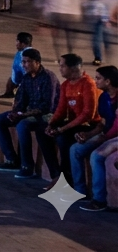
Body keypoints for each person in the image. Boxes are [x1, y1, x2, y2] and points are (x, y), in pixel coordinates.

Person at [36, 53, 101, 184]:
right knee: (42, 131)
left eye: (62, 66)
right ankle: (56, 175)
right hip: (73, 123)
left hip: (89, 125)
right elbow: (60, 109)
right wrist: (52, 124)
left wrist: (62, 129)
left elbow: (88, 114)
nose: (60, 69)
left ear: (73, 68)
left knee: (63, 138)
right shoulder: (65, 85)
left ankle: (67, 179)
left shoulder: (88, 84)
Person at [0, 47, 59, 175]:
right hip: (27, 113)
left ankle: (27, 166)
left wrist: (24, 115)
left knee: (22, 125)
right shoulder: (26, 78)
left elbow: (47, 106)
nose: (24, 65)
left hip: (46, 115)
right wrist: (15, 112)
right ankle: (12, 160)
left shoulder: (48, 77)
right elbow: (20, 99)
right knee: (0, 120)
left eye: (27, 62)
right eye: (23, 62)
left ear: (37, 62)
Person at [78, 65, 118, 211]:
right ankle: (80, 191)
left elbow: (116, 126)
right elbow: (103, 123)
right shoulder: (104, 97)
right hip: (108, 135)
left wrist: (104, 138)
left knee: (97, 156)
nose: (95, 81)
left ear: (108, 81)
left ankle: (99, 200)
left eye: (98, 78)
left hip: (114, 136)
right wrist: (89, 134)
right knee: (76, 149)